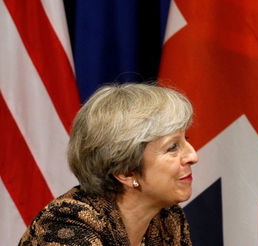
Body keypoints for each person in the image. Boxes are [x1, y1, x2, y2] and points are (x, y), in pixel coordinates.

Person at [19, 83, 199, 246]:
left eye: (186, 139)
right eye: (172, 147)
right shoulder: (67, 225)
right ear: (126, 172)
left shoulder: (167, 218)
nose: (193, 155)